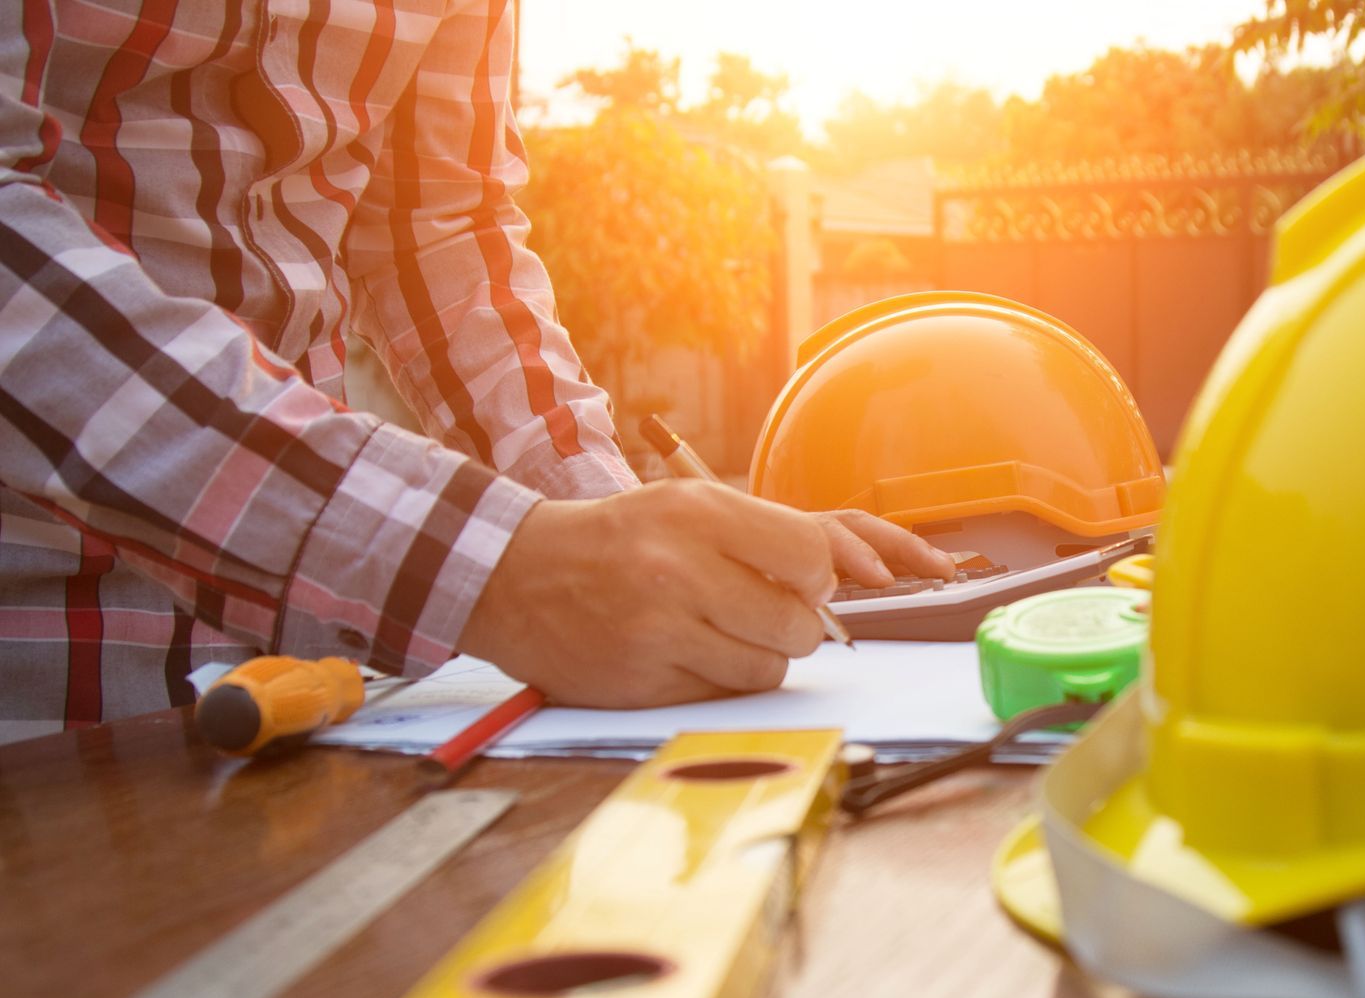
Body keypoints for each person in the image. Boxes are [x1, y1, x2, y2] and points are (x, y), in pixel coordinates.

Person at [0, 0, 949, 745]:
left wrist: (619, 551)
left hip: (315, 679)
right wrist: (487, 569)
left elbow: (438, 227)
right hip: (39, 659)